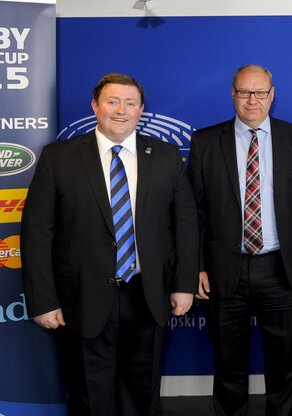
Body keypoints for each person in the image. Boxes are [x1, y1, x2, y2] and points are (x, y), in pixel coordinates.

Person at [20, 73, 198, 415]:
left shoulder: (165, 155)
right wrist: (43, 300)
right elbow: (36, 233)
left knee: (143, 395)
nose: (121, 110)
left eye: (130, 103)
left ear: (141, 110)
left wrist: (184, 285)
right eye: (112, 101)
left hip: (148, 296)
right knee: (89, 396)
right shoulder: (59, 157)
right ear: (95, 106)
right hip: (81, 298)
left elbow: (186, 225)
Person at [188, 64, 292, 416]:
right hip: (223, 271)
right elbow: (194, 212)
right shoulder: (204, 141)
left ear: (272, 95)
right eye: (245, 92)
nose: (252, 100)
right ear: (232, 93)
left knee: (283, 361)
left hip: (282, 268)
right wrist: (197, 266)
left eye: (260, 92)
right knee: (228, 365)